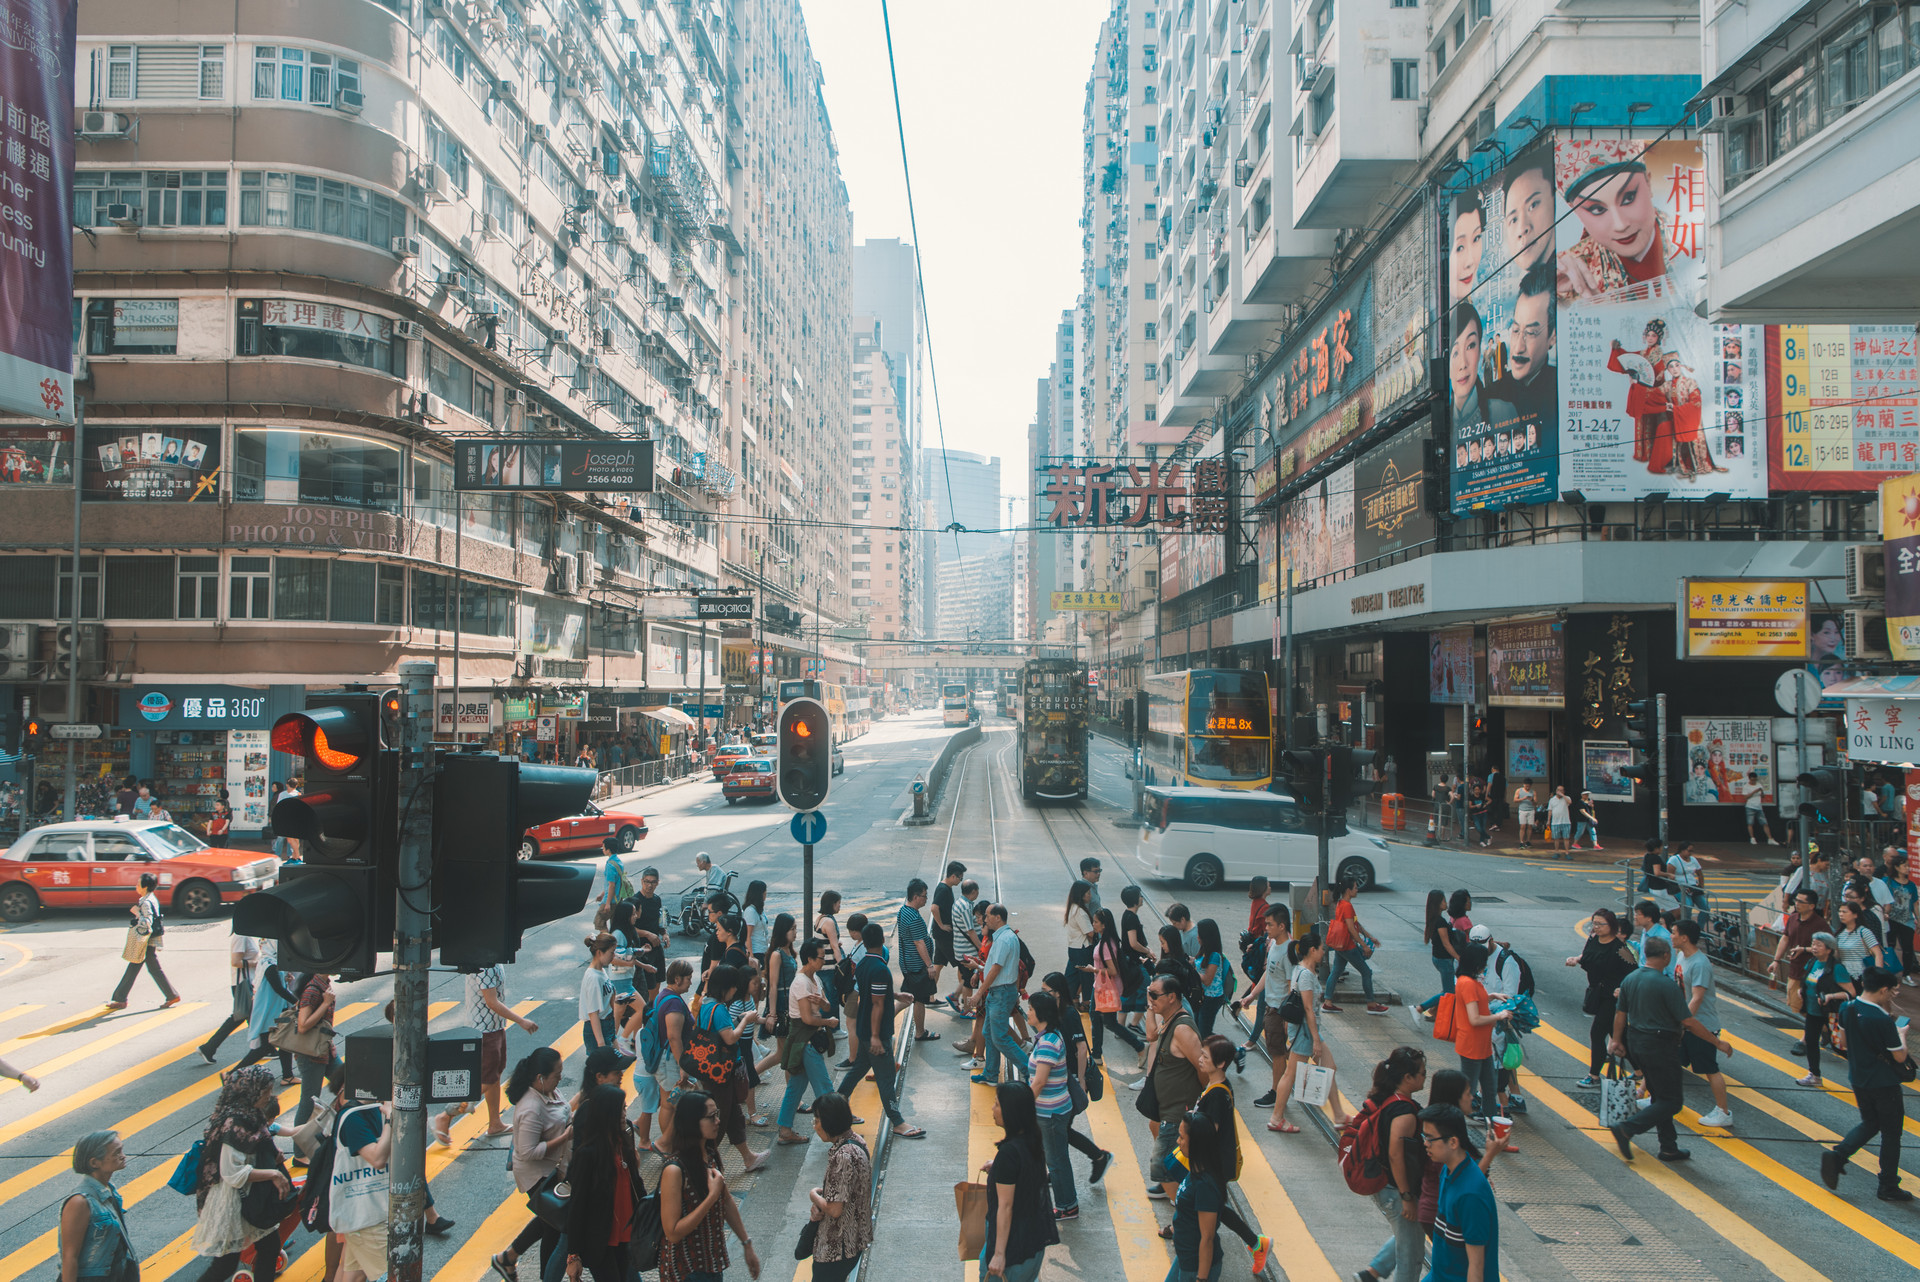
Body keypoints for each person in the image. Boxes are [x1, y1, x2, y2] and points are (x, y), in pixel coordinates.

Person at [1608, 935, 1730, 1162]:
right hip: (1660, 1046)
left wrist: (1616, 1040)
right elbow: (1688, 1021)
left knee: (1660, 1098)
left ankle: (1668, 1147)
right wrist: (1717, 1042)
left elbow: (1620, 1014)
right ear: (1665, 956)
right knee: (1672, 1101)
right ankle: (1627, 1128)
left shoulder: (1630, 979)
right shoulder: (1666, 984)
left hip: (1636, 1042)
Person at [189, 1065, 291, 1282]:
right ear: (250, 1092)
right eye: (265, 1092)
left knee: (270, 1247)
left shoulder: (251, 1114)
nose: (269, 1097)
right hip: (233, 1200)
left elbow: (257, 1145)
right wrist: (273, 1174)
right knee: (225, 1265)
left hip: (250, 1195)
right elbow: (231, 1172)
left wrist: (271, 1155)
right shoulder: (234, 1123)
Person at [1820, 967, 1913, 1202]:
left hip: (1859, 1079)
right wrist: (1901, 1034)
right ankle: (1888, 1185)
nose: (1892, 995)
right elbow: (1900, 1057)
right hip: (1884, 1083)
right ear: (1883, 990)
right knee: (1892, 1134)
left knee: (1871, 1123)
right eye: (1891, 991)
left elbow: (1842, 1043)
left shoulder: (1847, 1008)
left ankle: (1839, 1155)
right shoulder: (1881, 1019)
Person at [1184, 1034, 1272, 1270]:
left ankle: (1252, 1244)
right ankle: (1255, 1243)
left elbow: (1209, 1131)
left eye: (1205, 1056)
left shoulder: (1216, 1094)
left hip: (1212, 1163)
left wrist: (1189, 1125)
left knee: (1214, 1207)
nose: (1200, 1059)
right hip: (1212, 1162)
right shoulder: (1219, 1085)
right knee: (1215, 1205)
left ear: (1221, 1063)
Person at [490, 1047, 572, 1282]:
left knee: (550, 1222)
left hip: (554, 1168)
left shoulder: (549, 1091)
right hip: (537, 1174)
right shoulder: (530, 1108)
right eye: (556, 1074)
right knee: (554, 1226)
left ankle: (507, 1259)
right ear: (540, 1078)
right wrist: (565, 1137)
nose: (560, 1078)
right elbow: (527, 1152)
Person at [837, 922, 923, 1137]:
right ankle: (898, 1122)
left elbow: (873, 993)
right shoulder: (880, 968)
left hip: (864, 1029)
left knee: (857, 1070)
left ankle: (836, 1107)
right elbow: (876, 1003)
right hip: (876, 1033)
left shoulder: (864, 964)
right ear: (882, 941)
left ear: (864, 942)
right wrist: (876, 1036)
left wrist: (896, 995)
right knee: (886, 1078)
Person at [434, 964, 535, 1144]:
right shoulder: (484, 965)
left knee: (494, 1076)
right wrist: (521, 1021)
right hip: (483, 1031)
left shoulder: (494, 960)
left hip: (494, 1027)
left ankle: (495, 1123)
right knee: (487, 1080)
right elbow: (491, 1001)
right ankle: (445, 1115)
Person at [1352, 1047, 1429, 1282]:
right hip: (1395, 1189)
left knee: (1409, 1237)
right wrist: (1407, 1196)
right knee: (1411, 1255)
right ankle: (1373, 1272)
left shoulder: (1388, 1097)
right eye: (1423, 1073)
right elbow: (1396, 1155)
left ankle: (1372, 1273)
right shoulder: (1404, 1112)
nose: (1426, 1076)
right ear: (1408, 1078)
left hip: (1387, 1186)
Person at [559, 1085, 648, 1282]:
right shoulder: (587, 1155)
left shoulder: (623, 1143)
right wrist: (573, 1255)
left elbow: (636, 1185)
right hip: (601, 1239)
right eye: (621, 1109)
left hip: (626, 1235)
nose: (625, 1113)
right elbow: (577, 1205)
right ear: (607, 1113)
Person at [690, 965, 772, 1169]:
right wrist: (745, 1020)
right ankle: (703, 1162)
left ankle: (748, 1157)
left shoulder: (707, 1002)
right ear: (726, 987)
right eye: (734, 986)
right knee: (720, 1118)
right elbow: (730, 1037)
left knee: (734, 1115)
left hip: (715, 1069)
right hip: (719, 1072)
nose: (736, 990)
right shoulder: (717, 1009)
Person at [979, 1082, 1059, 1282]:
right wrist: (997, 1166)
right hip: (1032, 1242)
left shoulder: (1008, 1155)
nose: (992, 1109)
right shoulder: (1033, 1140)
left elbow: (1005, 1207)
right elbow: (1022, 1170)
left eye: (997, 1104)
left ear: (1011, 1113)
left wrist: (998, 1255)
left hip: (1011, 1248)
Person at [1418, 1104, 1500, 1282]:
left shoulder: (1471, 1195)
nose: (1425, 1143)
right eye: (1424, 1136)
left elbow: (1476, 1267)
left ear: (1453, 1142)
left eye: (1430, 1138)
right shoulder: (1447, 1172)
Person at [1024, 990, 1085, 1221]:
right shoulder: (1048, 1035)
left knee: (1057, 1161)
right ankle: (1067, 1202)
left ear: (1041, 1014)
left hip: (1050, 1112)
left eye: (1030, 1009)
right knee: (1057, 1158)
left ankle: (1067, 1206)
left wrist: (1023, 1108)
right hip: (1054, 1109)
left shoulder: (1048, 1042)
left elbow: (1039, 1082)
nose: (1028, 1013)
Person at [1143, 974, 1205, 1198]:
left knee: (1160, 1167)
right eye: (1148, 993)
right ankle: (1176, 1193)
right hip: (1165, 1107)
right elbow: (1150, 1035)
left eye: (1155, 995)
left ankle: (1183, 1207)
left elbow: (1203, 1068)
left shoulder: (1182, 1029)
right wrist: (1150, 1006)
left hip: (1179, 1109)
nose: (1151, 998)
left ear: (1172, 997)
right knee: (1155, 1128)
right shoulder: (1167, 1019)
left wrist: (1199, 1101)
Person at [777, 938, 843, 1144]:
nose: (824, 961)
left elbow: (824, 1005)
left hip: (808, 1041)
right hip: (806, 1043)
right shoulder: (801, 983)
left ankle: (785, 1130)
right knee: (825, 1088)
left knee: (796, 1086)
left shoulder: (815, 979)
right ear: (809, 959)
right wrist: (829, 1022)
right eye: (821, 958)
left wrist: (824, 1004)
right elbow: (807, 1018)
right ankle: (837, 1131)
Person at [1230, 902, 1293, 1115]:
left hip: (1279, 1009)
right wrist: (1252, 995)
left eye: (1270, 924)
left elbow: (1292, 986)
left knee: (1277, 1053)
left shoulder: (1289, 951)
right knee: (1279, 1052)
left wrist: (1286, 1019)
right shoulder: (1274, 945)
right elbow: (1269, 974)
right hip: (1270, 1006)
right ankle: (1281, 1089)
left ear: (1282, 926)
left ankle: (1276, 1092)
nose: (1266, 928)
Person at [1670, 921, 1734, 1128]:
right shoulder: (1682, 956)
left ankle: (1723, 1112)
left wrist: (1684, 1022)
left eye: (1674, 933)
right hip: (1687, 1022)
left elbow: (1697, 998)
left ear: (1684, 937)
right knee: (1670, 1061)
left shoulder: (1699, 964)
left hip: (1701, 1025)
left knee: (1710, 1069)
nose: (1671, 936)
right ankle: (1657, 1097)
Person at [1567, 909, 1638, 1087]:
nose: (1596, 927)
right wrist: (1576, 959)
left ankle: (1594, 1076)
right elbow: (1587, 956)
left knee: (1597, 1033)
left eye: (1600, 924)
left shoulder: (1620, 949)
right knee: (1618, 1036)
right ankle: (1640, 1071)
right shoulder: (1593, 939)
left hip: (1612, 998)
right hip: (1597, 994)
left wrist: (1623, 988)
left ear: (1612, 926)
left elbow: (1634, 972)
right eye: (1594, 923)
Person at [805, 1093, 872, 1281]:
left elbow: (835, 1210)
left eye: (817, 1120)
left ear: (829, 1123)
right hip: (855, 1240)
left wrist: (814, 1196)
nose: (815, 1125)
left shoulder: (842, 1156)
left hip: (837, 1247)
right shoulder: (856, 1140)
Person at [58, 1131, 134, 1282]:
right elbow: (69, 1257)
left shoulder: (109, 1192)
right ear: (94, 1163)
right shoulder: (79, 1202)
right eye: (117, 1152)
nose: (123, 1156)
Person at [1166, 1110, 1227, 1282]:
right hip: (1185, 1257)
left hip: (1195, 1267)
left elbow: (1207, 1238)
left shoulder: (1205, 1185)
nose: (1178, 1142)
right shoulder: (1196, 1170)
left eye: (1182, 1138)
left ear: (1196, 1144)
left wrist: (1201, 1278)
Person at [1449, 944, 1509, 1119]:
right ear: (1477, 963)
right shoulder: (1467, 983)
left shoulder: (1470, 981)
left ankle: (1491, 1131)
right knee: (1469, 1091)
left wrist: (1492, 996)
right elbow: (1474, 1019)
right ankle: (1457, 1127)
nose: (1486, 965)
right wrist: (1499, 1016)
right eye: (1484, 961)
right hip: (1472, 1046)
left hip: (1482, 1046)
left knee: (1490, 1089)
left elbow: (1475, 1001)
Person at [971, 903, 1026, 1086]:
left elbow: (996, 969)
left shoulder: (1003, 940)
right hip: (1000, 992)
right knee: (988, 1032)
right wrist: (978, 968)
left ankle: (1029, 1070)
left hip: (1000, 993)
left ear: (997, 917)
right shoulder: (1004, 936)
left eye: (987, 915)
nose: (985, 919)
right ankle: (990, 1074)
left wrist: (979, 993)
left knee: (1000, 1037)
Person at [106, 873, 179, 1010]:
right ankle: (171, 995)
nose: (136, 886)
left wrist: (137, 913)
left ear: (144, 887)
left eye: (138, 883)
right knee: (148, 968)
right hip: (150, 940)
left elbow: (147, 922)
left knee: (138, 966)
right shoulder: (151, 898)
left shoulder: (145, 902)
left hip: (146, 940)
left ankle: (120, 999)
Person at [645, 960, 695, 1154]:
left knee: (668, 1104)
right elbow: (674, 1037)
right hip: (671, 1061)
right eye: (688, 979)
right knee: (677, 1106)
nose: (691, 982)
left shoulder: (664, 995)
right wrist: (683, 1066)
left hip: (664, 1058)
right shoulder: (673, 1003)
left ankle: (669, 1145)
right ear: (677, 979)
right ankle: (667, 1144)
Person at [1794, 932, 1854, 1088]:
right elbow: (1807, 981)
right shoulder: (1812, 962)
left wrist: (1831, 996)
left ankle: (1864, 1073)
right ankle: (1814, 1075)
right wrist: (1802, 990)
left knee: (1841, 1047)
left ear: (1829, 949)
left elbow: (1851, 993)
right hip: (1813, 1011)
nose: (1814, 948)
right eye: (1813, 944)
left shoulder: (1837, 968)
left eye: (1819, 945)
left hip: (1831, 1013)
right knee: (1812, 1042)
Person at [1324, 878, 1389, 1015]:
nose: (1357, 889)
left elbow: (1356, 924)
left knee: (1336, 972)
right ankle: (1371, 1004)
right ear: (1348, 890)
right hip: (1347, 946)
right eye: (1355, 887)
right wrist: (1364, 945)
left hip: (1339, 945)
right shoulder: (1347, 906)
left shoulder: (1341, 903)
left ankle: (1327, 1002)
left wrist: (1369, 936)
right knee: (1366, 972)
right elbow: (1351, 929)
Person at [1087, 909, 1145, 1063]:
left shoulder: (1106, 945)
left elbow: (1112, 970)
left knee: (1109, 1022)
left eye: (1096, 922)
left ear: (1104, 925)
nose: (1093, 924)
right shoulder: (1107, 940)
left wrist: (1092, 970)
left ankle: (1139, 1046)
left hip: (1106, 989)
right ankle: (1096, 1054)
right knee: (1096, 1018)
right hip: (1100, 987)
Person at [198, 929, 261, 1065]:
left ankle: (209, 1048)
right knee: (246, 1015)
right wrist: (258, 963)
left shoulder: (246, 935)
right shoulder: (241, 936)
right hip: (243, 984)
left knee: (243, 1016)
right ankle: (262, 1048)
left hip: (248, 982)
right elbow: (236, 961)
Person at [1768, 888, 1831, 1018]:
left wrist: (1804, 949)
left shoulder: (1820, 924)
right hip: (1795, 970)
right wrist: (1776, 960)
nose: (1797, 904)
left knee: (1812, 1007)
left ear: (1812, 906)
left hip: (1813, 973)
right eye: (1796, 900)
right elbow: (1785, 938)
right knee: (1796, 1005)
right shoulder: (1793, 918)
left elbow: (1828, 948)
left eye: (1801, 902)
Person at [289, 972, 337, 1126]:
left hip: (324, 1050)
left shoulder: (323, 985)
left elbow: (322, 1024)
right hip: (311, 1054)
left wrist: (329, 1043)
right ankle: (300, 1148)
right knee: (309, 1101)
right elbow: (303, 1026)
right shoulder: (313, 990)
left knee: (348, 1083)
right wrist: (325, 1004)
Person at [897, 878, 940, 1041]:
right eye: (924, 896)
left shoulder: (904, 911)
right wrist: (930, 965)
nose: (926, 899)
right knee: (919, 999)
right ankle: (920, 1032)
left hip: (909, 963)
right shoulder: (913, 918)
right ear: (915, 897)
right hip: (916, 965)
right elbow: (919, 943)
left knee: (909, 997)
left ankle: (883, 1020)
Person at [1418, 890, 1464, 1018]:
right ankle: (1421, 1008)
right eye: (1443, 900)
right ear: (1437, 903)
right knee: (1448, 992)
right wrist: (1459, 958)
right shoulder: (1440, 922)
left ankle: (1434, 1012)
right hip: (1444, 960)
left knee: (1448, 988)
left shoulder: (1435, 919)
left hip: (1439, 958)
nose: (1446, 903)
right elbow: (1446, 943)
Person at [579, 932, 621, 1054]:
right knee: (605, 1068)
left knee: (615, 1065)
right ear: (599, 953)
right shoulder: (593, 977)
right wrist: (601, 1045)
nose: (614, 956)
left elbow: (603, 998)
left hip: (607, 1025)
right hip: (598, 1030)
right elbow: (593, 1013)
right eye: (611, 952)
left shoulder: (601, 970)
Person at [1190, 918, 1231, 1037]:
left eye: (1200, 935)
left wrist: (1192, 970)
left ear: (1207, 937)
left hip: (1211, 998)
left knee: (1204, 1032)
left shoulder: (1215, 956)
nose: (1197, 937)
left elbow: (1208, 980)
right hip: (1202, 996)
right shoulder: (1204, 950)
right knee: (1198, 1027)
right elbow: (1200, 963)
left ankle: (1228, 1050)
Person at [931, 861, 964, 1003]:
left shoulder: (946, 887)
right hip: (944, 936)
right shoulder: (944, 889)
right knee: (963, 965)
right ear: (953, 876)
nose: (961, 881)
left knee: (937, 965)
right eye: (960, 878)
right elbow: (934, 908)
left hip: (940, 935)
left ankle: (929, 997)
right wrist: (942, 925)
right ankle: (961, 996)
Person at [1881, 856, 1919, 983]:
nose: (1908, 868)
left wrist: (1918, 919)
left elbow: (1915, 904)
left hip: (1907, 920)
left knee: (1908, 948)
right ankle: (1889, 972)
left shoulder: (1911, 885)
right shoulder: (1887, 881)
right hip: (1890, 919)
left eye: (1908, 866)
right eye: (1905, 866)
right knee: (1890, 946)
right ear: (1897, 867)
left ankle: (1906, 974)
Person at [1064, 879, 1098, 1015]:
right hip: (1082, 948)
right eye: (1088, 893)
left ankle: (1070, 999)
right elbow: (1089, 933)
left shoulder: (1072, 908)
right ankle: (1086, 1003)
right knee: (1086, 977)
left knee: (1072, 975)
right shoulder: (1080, 912)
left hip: (1073, 947)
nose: (1090, 896)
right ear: (1082, 895)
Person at [1834, 899, 1888, 979]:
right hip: (1844, 975)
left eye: (1844, 912)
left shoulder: (1864, 932)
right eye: (1840, 911)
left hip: (1862, 975)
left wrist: (1878, 976)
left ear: (1855, 915)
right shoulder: (1840, 934)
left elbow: (1878, 954)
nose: (1841, 914)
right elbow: (1837, 956)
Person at [1666, 843, 1708, 923]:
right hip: (1680, 887)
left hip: (1692, 886)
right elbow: (1670, 877)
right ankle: (1687, 925)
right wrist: (1680, 887)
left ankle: (1700, 928)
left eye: (1692, 851)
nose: (1691, 853)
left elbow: (1700, 874)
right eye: (1689, 851)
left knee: (1706, 908)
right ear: (1682, 850)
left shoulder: (1693, 859)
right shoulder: (1674, 860)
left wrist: (1700, 886)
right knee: (1688, 906)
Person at [740, 879, 768, 958]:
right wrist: (751, 956)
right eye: (764, 892)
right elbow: (748, 935)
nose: (766, 894)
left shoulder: (759, 910)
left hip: (763, 949)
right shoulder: (750, 911)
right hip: (756, 951)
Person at [1745, 773, 1775, 845]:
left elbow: (1762, 796)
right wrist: (1754, 791)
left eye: (1755, 780)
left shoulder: (1759, 785)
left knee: (1765, 823)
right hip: (1750, 806)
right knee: (1750, 823)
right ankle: (1752, 838)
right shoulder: (1746, 786)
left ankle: (1770, 838)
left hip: (1759, 806)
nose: (1754, 781)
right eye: (1752, 780)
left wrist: (1761, 793)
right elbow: (1746, 797)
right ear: (1749, 779)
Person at [1545, 785, 1573, 856]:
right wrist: (1548, 820)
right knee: (1556, 838)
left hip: (1565, 821)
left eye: (1562, 790)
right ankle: (1556, 851)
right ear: (1556, 791)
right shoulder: (1552, 800)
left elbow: (1569, 802)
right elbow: (1550, 811)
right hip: (1555, 822)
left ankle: (1567, 852)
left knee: (1566, 838)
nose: (1560, 792)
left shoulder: (1566, 798)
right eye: (1559, 790)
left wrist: (1563, 795)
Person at [1511, 780, 1536, 849]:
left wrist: (1532, 800)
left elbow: (1535, 802)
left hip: (1531, 810)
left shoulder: (1533, 792)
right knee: (1522, 826)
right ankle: (1521, 842)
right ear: (1523, 784)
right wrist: (1523, 798)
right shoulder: (1519, 790)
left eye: (1529, 786)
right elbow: (1515, 800)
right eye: (1526, 786)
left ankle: (1528, 841)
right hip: (1522, 810)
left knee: (1530, 826)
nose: (1527, 787)